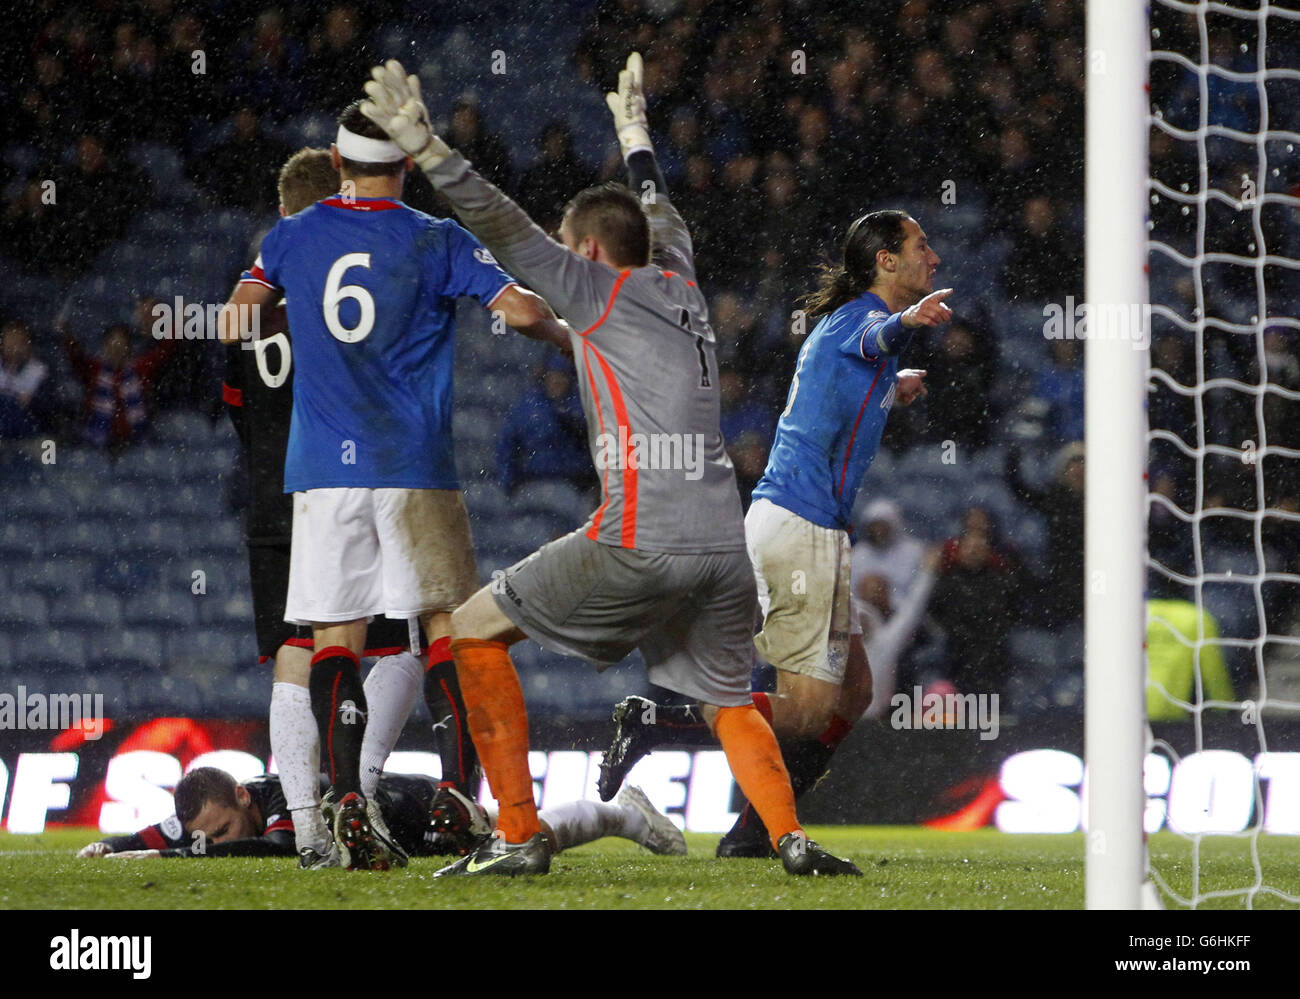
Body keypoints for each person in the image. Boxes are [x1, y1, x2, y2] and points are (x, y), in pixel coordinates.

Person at [360, 53, 859, 877]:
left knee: (471, 633)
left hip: (641, 537)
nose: (559, 260)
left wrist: (426, 148)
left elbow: (500, 222)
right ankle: (792, 840)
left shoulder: (594, 285)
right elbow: (658, 211)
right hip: (720, 550)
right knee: (729, 698)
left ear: (590, 249)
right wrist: (637, 137)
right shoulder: (684, 282)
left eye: (569, 248)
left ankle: (519, 833)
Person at [218, 100, 569, 871]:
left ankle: (345, 799)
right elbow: (520, 308)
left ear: (337, 165)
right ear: (406, 167)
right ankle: (454, 791)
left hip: (320, 473)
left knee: (332, 635)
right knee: (447, 625)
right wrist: (584, 334)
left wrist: (293, 309)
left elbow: (234, 323)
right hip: (411, 464)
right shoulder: (437, 237)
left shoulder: (292, 235)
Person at [599, 208, 948, 857]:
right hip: (802, 532)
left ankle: (751, 833)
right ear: (886, 261)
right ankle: (659, 721)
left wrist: (890, 388)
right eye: (921, 246)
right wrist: (909, 322)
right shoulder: (864, 321)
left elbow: (849, 373)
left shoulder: (846, 334)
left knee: (856, 692)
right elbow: (876, 335)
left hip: (798, 527)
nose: (935, 258)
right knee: (810, 710)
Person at [76, 767, 684, 861]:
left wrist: (177, 854)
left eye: (224, 831)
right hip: (397, 816)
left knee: (521, 841)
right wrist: (113, 845)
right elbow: (156, 834)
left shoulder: (290, 797)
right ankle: (622, 814)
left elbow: (281, 848)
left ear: (242, 796)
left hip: (419, 807)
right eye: (208, 835)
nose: (216, 841)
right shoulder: (213, 816)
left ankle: (623, 814)